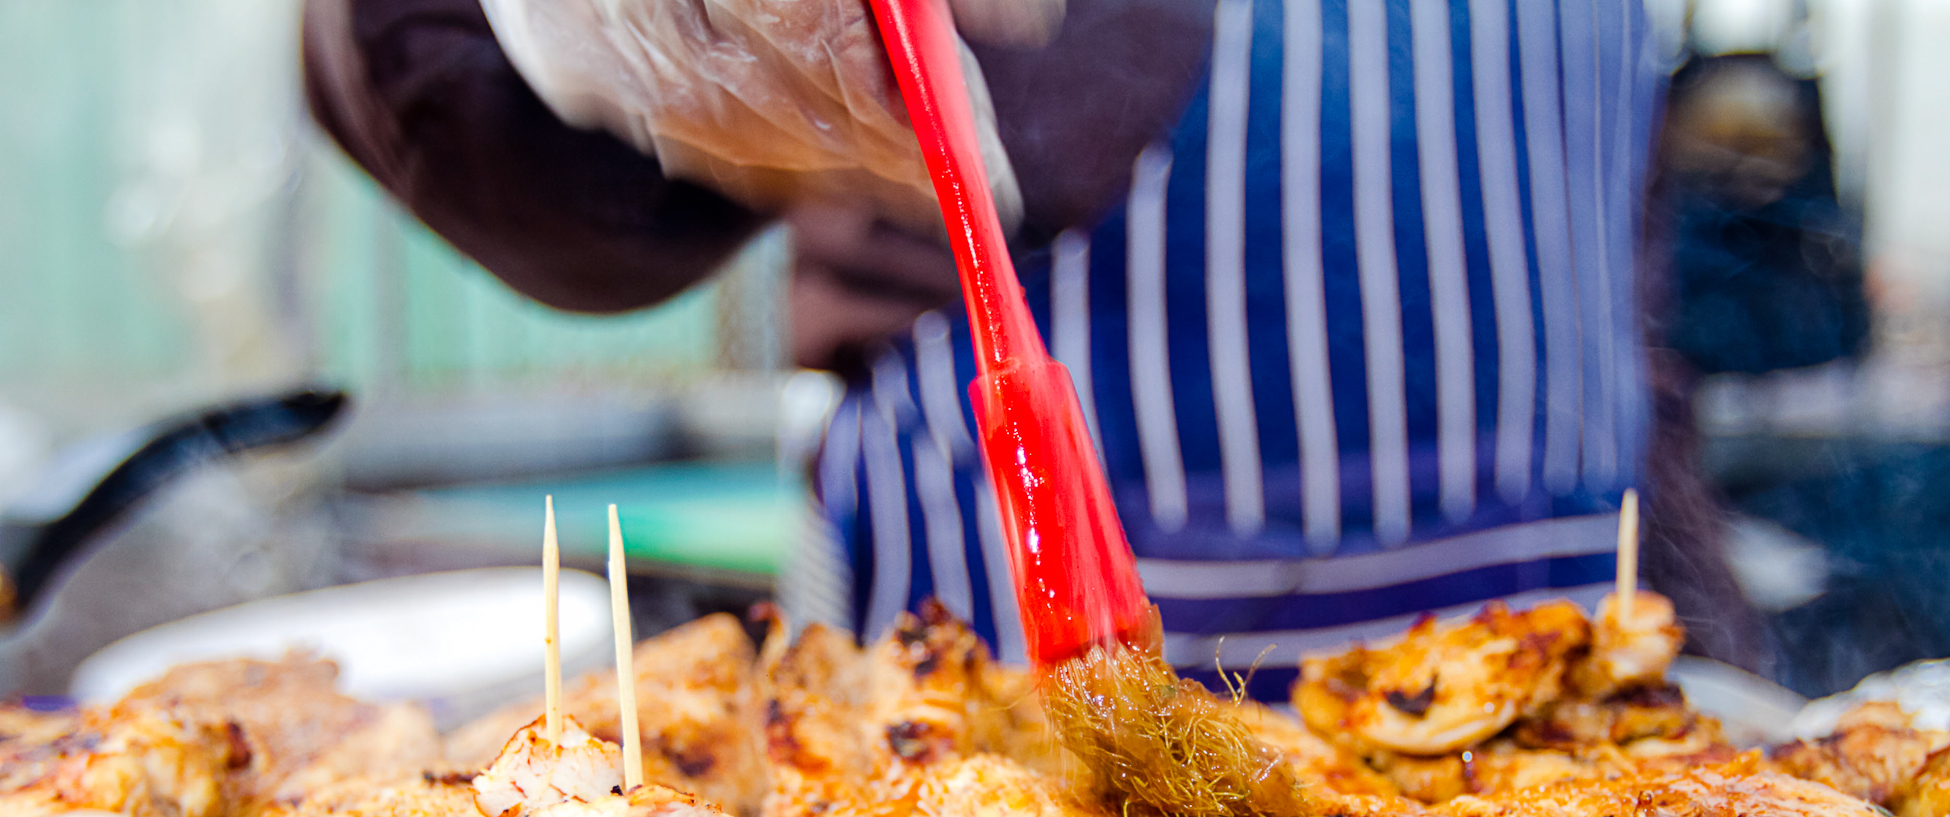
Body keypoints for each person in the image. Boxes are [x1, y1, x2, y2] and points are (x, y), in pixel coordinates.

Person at [304, 0, 1761, 696]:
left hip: (1579, 679)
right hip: (992, 674)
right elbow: (415, 77)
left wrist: (1718, 632)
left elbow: (1619, 267)